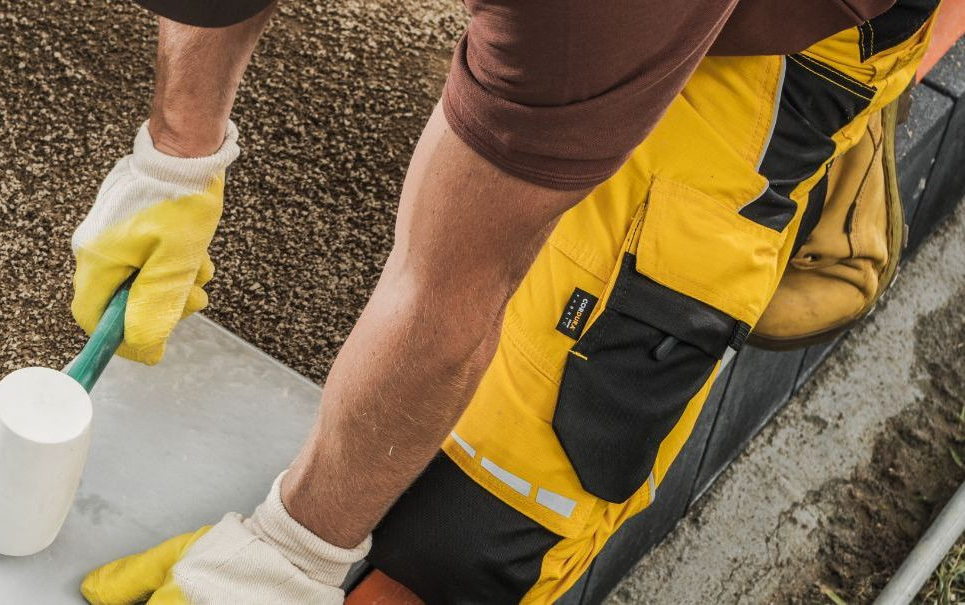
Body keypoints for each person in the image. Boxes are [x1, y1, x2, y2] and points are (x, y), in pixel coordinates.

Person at [69, 0, 940, 602]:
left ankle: (839, 108)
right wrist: (177, 159)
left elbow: (453, 285)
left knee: (469, 538)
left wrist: (288, 555)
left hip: (748, 40)